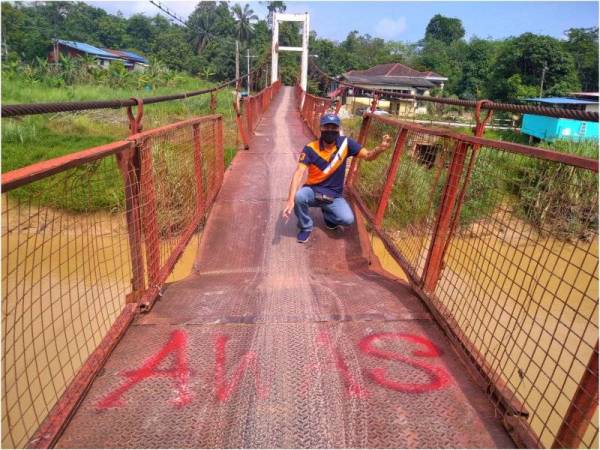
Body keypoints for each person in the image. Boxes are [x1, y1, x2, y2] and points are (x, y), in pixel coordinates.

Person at [282, 112, 392, 243]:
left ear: (338, 129)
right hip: (313, 190)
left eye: (333, 127)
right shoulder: (310, 148)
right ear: (321, 128)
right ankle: (306, 226)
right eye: (326, 127)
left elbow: (368, 156)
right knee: (299, 197)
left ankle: (328, 215)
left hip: (334, 195)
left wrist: (379, 149)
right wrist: (290, 200)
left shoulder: (346, 144)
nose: (330, 130)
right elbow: (299, 172)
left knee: (348, 219)